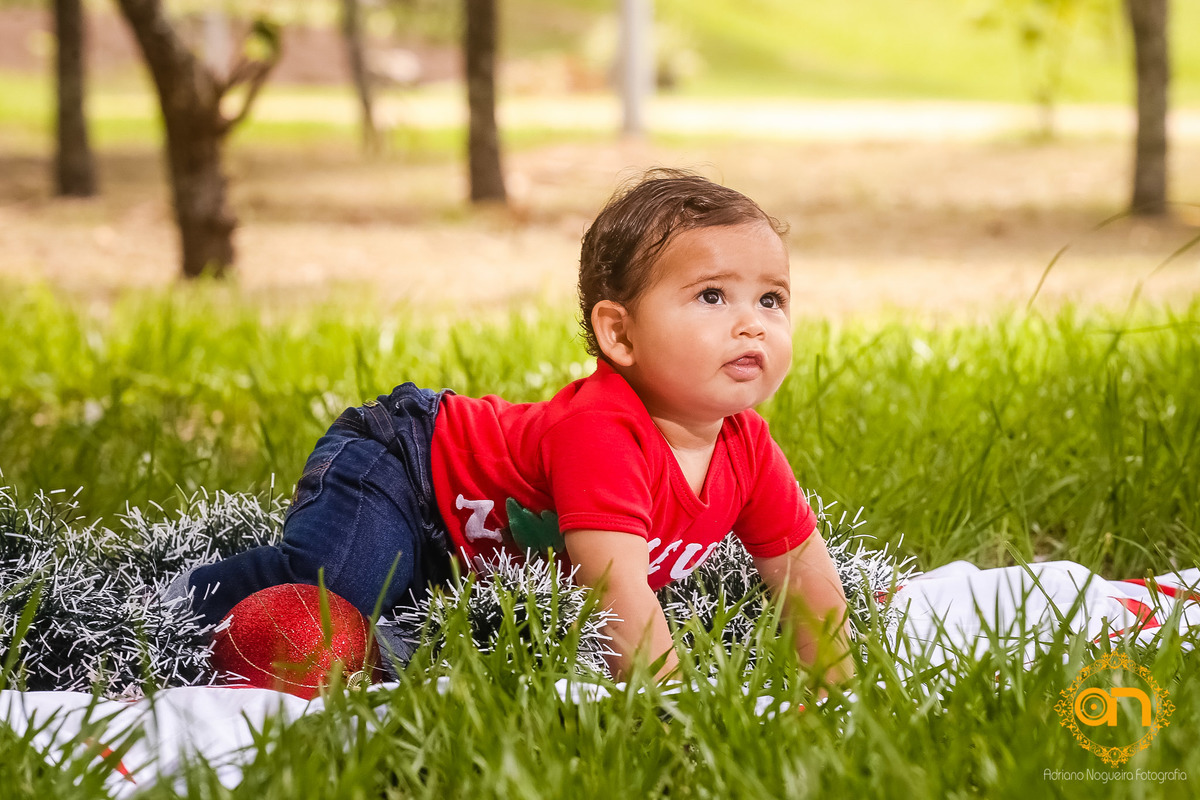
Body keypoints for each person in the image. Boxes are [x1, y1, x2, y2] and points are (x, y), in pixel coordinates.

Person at [186, 170, 854, 684]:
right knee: (340, 589)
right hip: (407, 467)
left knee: (407, 627)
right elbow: (615, 593)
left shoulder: (748, 447)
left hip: (466, 543)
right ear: (619, 334)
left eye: (772, 298)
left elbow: (805, 576)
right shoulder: (603, 430)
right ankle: (181, 600)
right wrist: (681, 710)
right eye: (712, 295)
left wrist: (838, 692)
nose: (752, 323)